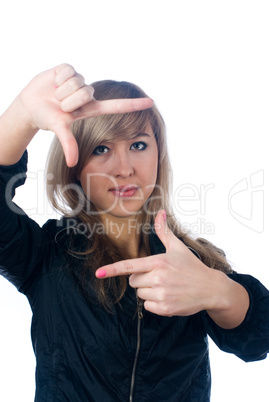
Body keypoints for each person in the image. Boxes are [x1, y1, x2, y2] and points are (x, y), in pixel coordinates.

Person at [0, 64, 268, 402]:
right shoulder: (46, 254)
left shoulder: (189, 261)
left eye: (138, 145)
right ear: (74, 164)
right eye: (101, 149)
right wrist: (21, 114)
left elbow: (259, 338)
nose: (124, 168)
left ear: (158, 153)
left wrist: (217, 290)